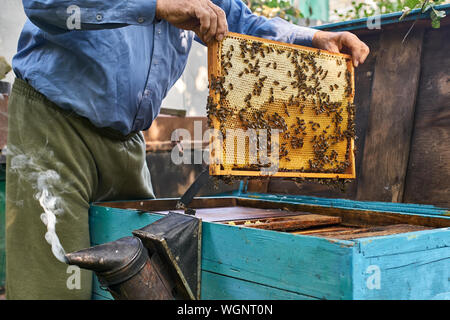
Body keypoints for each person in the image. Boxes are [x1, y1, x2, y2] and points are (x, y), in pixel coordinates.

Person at [5, 0, 370, 300]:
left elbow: (238, 20)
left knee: (142, 278)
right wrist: (157, 6)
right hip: (53, 123)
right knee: (53, 283)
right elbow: (45, 4)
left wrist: (312, 37)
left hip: (128, 139)